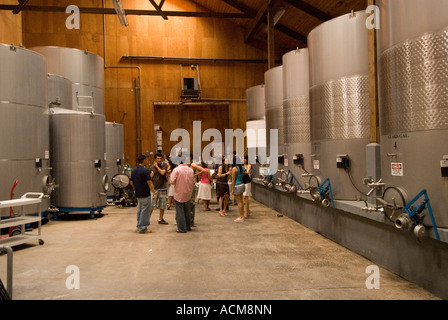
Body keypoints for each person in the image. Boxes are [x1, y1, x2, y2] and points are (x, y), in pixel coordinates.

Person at [130, 155, 157, 233]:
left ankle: (139, 225)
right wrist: (154, 193)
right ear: (143, 160)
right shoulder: (145, 171)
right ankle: (143, 228)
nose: (147, 161)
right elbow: (150, 183)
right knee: (145, 211)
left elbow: (131, 182)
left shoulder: (134, 170)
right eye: (146, 160)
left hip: (138, 193)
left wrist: (137, 187)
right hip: (145, 193)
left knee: (140, 209)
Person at [170, 153, 195, 233]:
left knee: (180, 211)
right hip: (188, 192)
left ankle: (181, 228)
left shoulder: (176, 170)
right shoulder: (190, 170)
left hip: (179, 193)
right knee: (187, 210)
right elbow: (193, 181)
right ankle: (188, 226)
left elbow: (172, 181)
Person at [149, 152, 169, 225]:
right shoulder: (151, 167)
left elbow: (162, 173)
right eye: (158, 158)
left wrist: (157, 166)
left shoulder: (164, 165)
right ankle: (147, 219)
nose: (159, 160)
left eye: (160, 158)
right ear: (155, 159)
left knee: (162, 205)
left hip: (163, 188)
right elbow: (150, 178)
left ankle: (160, 219)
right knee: (151, 205)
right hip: (154, 189)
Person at [231, 155, 245, 222]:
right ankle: (242, 215)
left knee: (239, 202)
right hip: (242, 184)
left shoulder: (234, 169)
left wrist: (232, 189)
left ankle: (241, 216)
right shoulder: (242, 167)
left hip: (237, 185)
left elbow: (233, 180)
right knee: (241, 202)